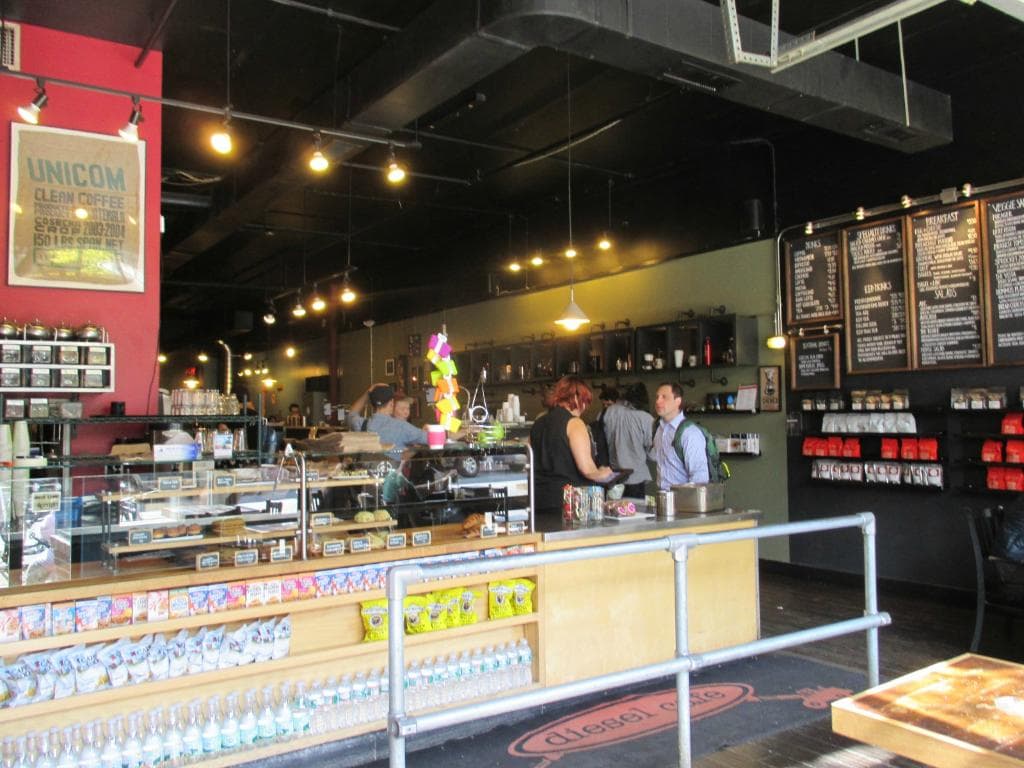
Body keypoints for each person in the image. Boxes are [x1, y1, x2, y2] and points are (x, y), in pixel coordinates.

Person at [529, 375, 615, 519]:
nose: (585, 407)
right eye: (585, 401)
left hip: (538, 501)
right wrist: (606, 473)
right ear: (575, 398)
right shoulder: (574, 423)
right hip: (569, 504)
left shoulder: (538, 423)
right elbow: (587, 469)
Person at [650, 382, 708, 488]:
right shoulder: (658, 429)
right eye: (657, 397)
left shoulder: (690, 433)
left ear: (678, 401)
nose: (658, 401)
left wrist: (689, 500)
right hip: (663, 497)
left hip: (684, 500)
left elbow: (700, 476)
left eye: (664, 397)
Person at [602, 382, 654, 499]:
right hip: (635, 477)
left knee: (611, 513)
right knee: (635, 514)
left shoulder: (608, 412)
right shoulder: (645, 418)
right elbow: (653, 454)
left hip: (612, 477)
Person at [346, 383, 428, 455]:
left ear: (372, 405)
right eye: (402, 408)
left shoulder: (362, 424)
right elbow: (433, 440)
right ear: (392, 403)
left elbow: (351, 415)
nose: (406, 412)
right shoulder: (402, 427)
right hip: (392, 472)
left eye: (407, 408)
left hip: (368, 471)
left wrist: (368, 393)